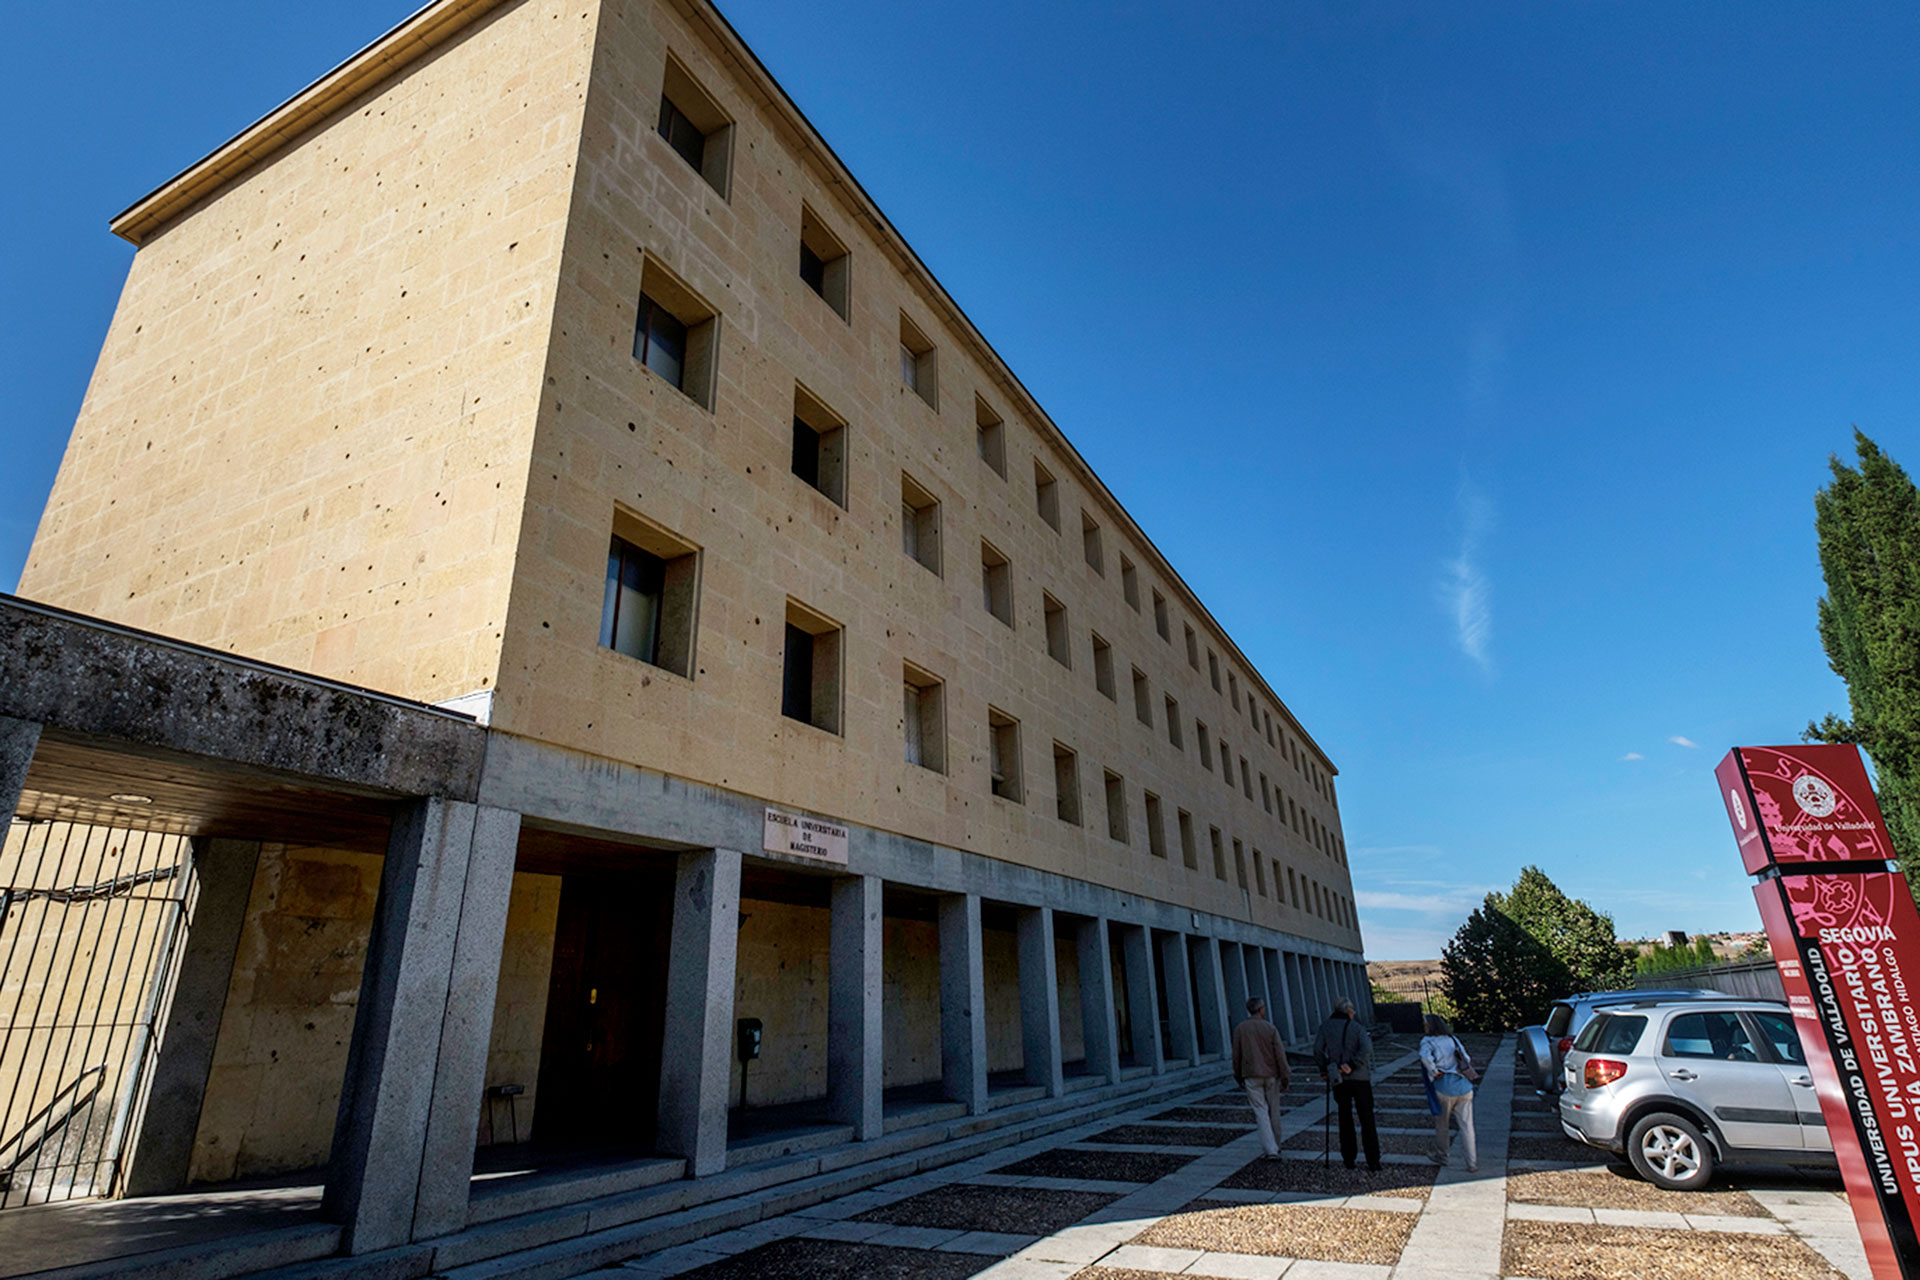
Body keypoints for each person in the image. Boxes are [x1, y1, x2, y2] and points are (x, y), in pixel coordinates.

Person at [1312, 997, 1379, 1171]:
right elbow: (1366, 1048)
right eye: (1353, 1010)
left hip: (1339, 1079)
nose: (1354, 1013)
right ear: (1348, 1010)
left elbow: (1318, 1049)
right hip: (1360, 1078)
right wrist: (1352, 1064)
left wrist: (1325, 1068)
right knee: (1367, 1119)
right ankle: (1373, 1160)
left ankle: (1349, 1158)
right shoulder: (1357, 1027)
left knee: (1345, 1117)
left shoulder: (1325, 1027)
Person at [1231, 996, 1291, 1156]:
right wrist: (1285, 1077)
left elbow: (1236, 1056)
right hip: (1271, 1074)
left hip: (1251, 1074)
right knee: (1274, 1110)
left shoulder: (1240, 1029)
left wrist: (1238, 1076)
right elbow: (1280, 1055)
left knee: (1260, 1111)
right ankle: (1276, 1144)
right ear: (1261, 1009)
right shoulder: (1270, 1028)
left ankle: (1270, 1148)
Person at [1420, 1013, 1479, 1172]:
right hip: (1464, 1087)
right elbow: (1466, 1058)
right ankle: (1472, 1163)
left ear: (1430, 1026)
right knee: (1467, 1126)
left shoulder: (1427, 1041)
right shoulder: (1453, 1039)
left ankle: (1443, 1156)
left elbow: (1425, 1058)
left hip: (1443, 1088)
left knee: (1442, 1125)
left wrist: (1434, 1071)